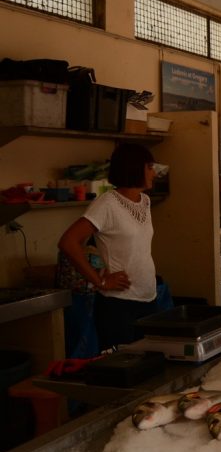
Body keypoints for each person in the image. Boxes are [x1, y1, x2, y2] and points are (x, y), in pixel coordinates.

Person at [58, 143, 158, 351]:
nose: (153, 172)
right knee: (122, 370)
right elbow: (68, 242)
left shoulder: (145, 202)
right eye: (150, 167)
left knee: (149, 368)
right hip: (119, 305)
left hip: (148, 299)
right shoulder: (107, 204)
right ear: (135, 168)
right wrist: (100, 280)